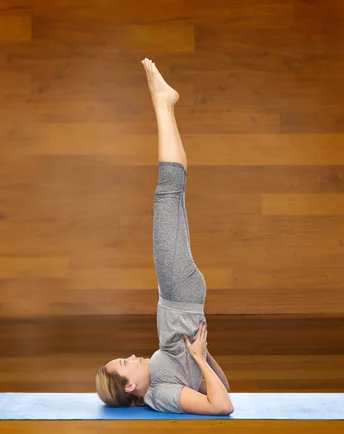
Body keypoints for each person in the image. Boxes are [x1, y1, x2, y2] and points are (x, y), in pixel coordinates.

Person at [94, 59, 233, 415]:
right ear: (130, 387)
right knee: (168, 193)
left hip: (178, 297)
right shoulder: (159, 394)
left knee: (174, 192)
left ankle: (164, 103)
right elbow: (222, 405)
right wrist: (200, 359)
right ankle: (162, 102)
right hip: (177, 295)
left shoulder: (158, 379)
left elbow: (222, 388)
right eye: (125, 363)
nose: (131, 356)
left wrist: (203, 358)